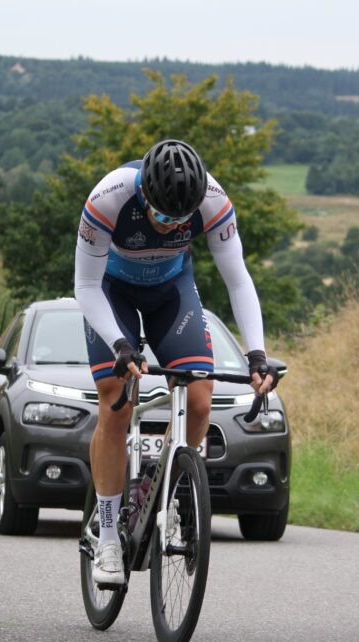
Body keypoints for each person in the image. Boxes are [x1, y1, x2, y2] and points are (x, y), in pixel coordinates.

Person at [74, 139, 278, 586]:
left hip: (171, 290)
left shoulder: (213, 201)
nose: (171, 226)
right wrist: (119, 344)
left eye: (181, 220)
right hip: (110, 292)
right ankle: (107, 537)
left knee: (200, 400)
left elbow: (238, 280)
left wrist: (256, 354)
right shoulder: (108, 198)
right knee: (115, 401)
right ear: (145, 195)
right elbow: (85, 286)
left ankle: (158, 488)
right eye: (163, 217)